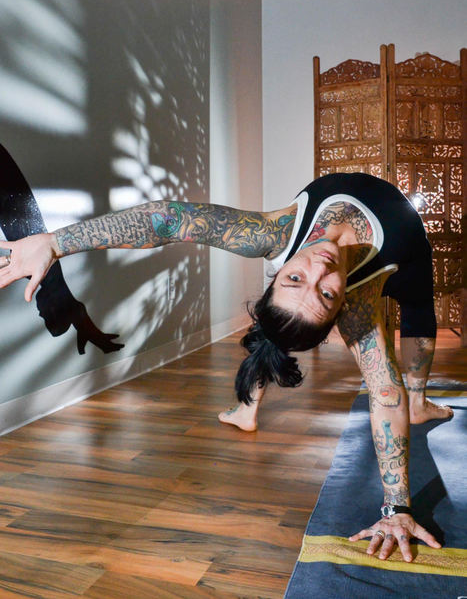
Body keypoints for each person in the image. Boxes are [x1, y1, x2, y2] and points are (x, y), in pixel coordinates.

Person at [0, 172, 451, 563]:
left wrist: (55, 243)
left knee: (297, 324)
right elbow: (382, 390)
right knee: (412, 318)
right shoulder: (356, 303)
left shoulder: (273, 235)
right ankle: (415, 402)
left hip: (379, 260)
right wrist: (397, 511)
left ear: (276, 273)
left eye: (295, 279)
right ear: (341, 308)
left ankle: (258, 406)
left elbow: (172, 220)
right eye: (326, 294)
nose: (318, 268)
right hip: (407, 249)